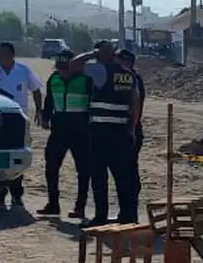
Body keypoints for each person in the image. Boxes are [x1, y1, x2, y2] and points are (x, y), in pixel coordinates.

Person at [70, 40, 141, 227]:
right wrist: (132, 129)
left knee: (99, 176)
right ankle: (127, 215)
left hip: (101, 132)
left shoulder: (100, 70)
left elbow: (74, 65)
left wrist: (93, 53)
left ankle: (101, 216)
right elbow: (135, 103)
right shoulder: (128, 74)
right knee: (122, 176)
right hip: (122, 132)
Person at [0, 41, 44, 209]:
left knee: (16, 157)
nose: (0, 57)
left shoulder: (23, 71)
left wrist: (39, 110)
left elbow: (36, 90)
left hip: (18, 119)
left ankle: (17, 195)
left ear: (12, 55)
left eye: (4, 54)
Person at [36, 50, 92, 218]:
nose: (62, 71)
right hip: (59, 130)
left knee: (83, 170)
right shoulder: (54, 79)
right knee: (51, 167)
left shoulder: (86, 80)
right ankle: (53, 204)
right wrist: (45, 118)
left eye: (65, 68)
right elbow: (49, 101)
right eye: (59, 68)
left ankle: (80, 207)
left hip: (80, 131)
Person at [117, 48, 146, 208]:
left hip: (131, 130)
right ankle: (127, 210)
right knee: (126, 170)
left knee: (129, 170)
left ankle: (130, 210)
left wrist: (131, 129)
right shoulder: (127, 78)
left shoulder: (132, 79)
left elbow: (135, 106)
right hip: (127, 129)